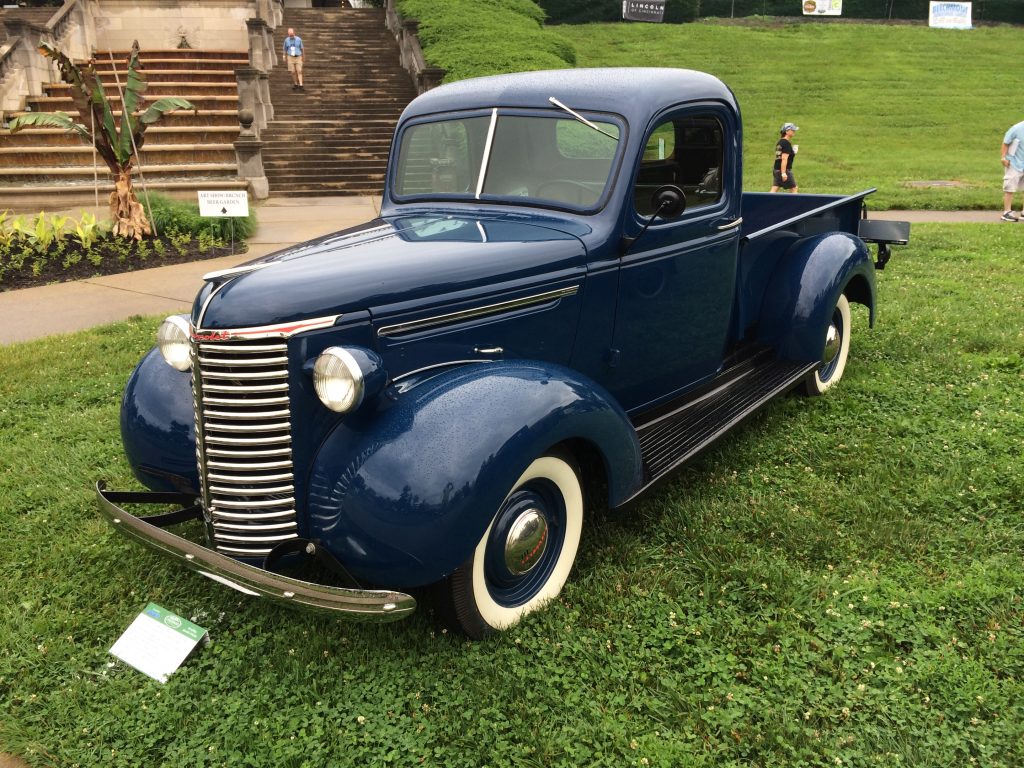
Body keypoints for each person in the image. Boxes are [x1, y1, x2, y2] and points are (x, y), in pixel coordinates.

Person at [1000, 118, 1024, 221]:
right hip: (1014, 162)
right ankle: (1007, 212)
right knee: (1010, 187)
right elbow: (1006, 142)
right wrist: (1003, 157)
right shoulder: (1017, 128)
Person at [770, 122, 799, 193]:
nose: (794, 131)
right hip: (784, 170)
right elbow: (784, 158)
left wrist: (793, 152)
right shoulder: (786, 143)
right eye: (792, 130)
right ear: (786, 131)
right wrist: (783, 173)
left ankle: (764, 202)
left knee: (774, 189)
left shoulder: (780, 142)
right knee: (794, 188)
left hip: (777, 169)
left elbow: (779, 157)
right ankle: (796, 204)